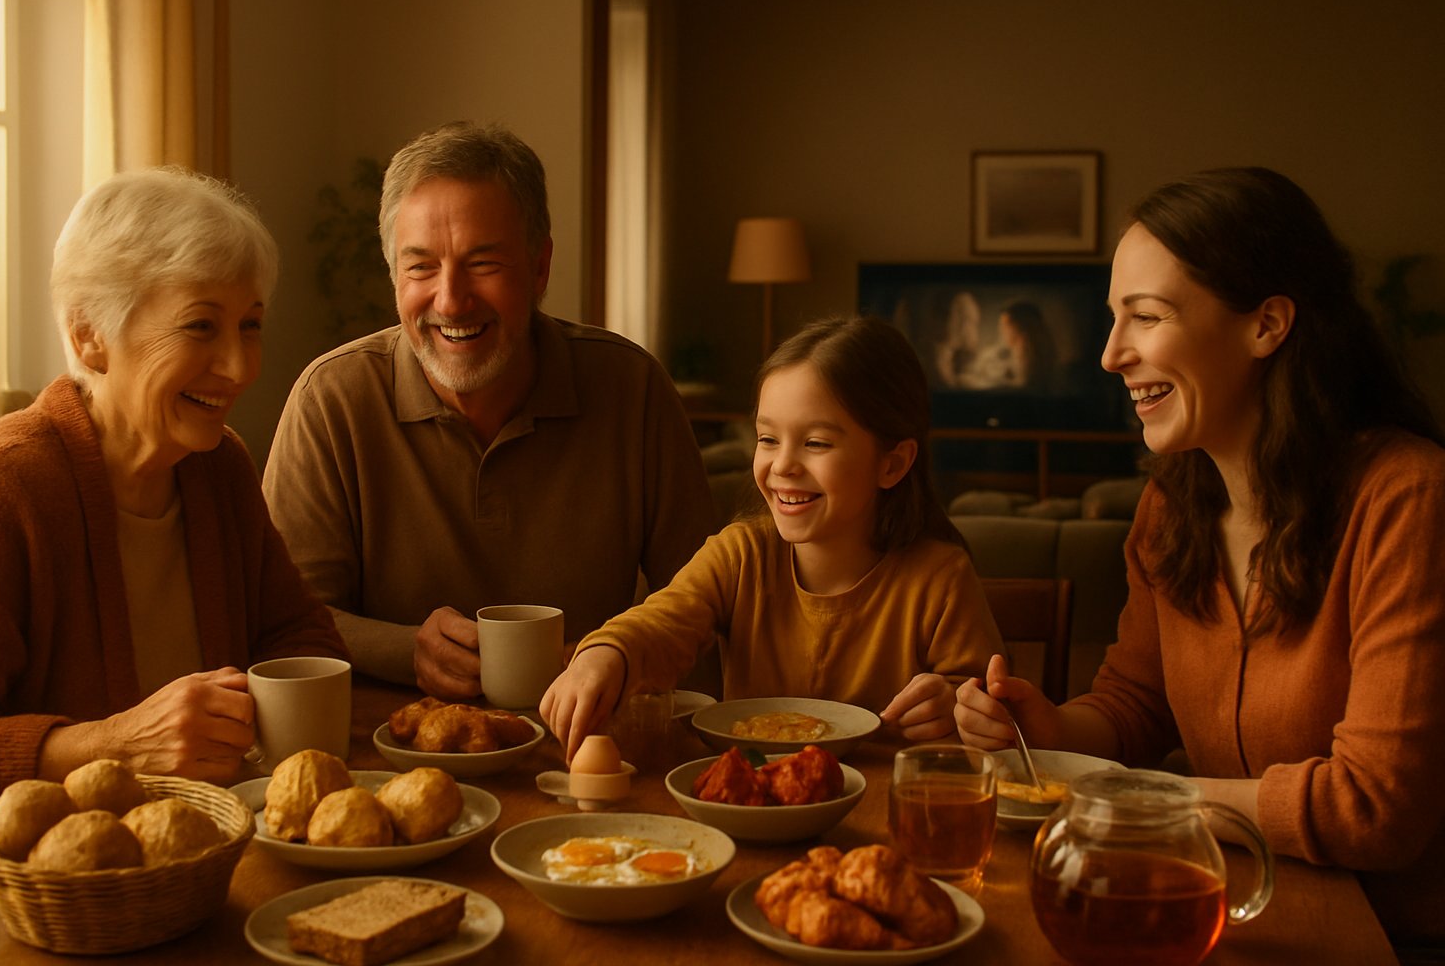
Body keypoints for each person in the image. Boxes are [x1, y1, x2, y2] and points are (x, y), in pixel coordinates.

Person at [953, 167, 1445, 947]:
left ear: (1267, 325)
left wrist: (1154, 797)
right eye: (1114, 319)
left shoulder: (1406, 497)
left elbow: (1374, 809)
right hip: (1220, 906)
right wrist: (1050, 728)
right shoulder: (1168, 510)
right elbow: (1135, 707)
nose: (1111, 355)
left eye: (1146, 317)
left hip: (1383, 938)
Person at [0, 168, 347, 832]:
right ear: (91, 335)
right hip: (43, 901)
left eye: (250, 325)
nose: (238, 366)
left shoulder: (217, 466)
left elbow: (298, 637)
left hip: (205, 859)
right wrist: (113, 745)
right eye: (201, 326)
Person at [262, 122, 713, 698]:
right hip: (386, 759)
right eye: (421, 266)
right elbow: (286, 623)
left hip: (586, 748)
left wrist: (620, 651)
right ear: (393, 274)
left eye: (483, 263)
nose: (451, 300)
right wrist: (406, 652)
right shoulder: (331, 401)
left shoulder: (633, 388)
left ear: (540, 267)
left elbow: (705, 600)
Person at [542, 315, 1006, 759]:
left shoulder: (940, 578)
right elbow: (661, 622)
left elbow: (985, 707)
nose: (782, 465)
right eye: (767, 439)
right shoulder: (740, 554)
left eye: (816, 442)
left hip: (885, 814)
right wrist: (607, 654)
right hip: (754, 803)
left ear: (893, 464)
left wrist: (954, 707)